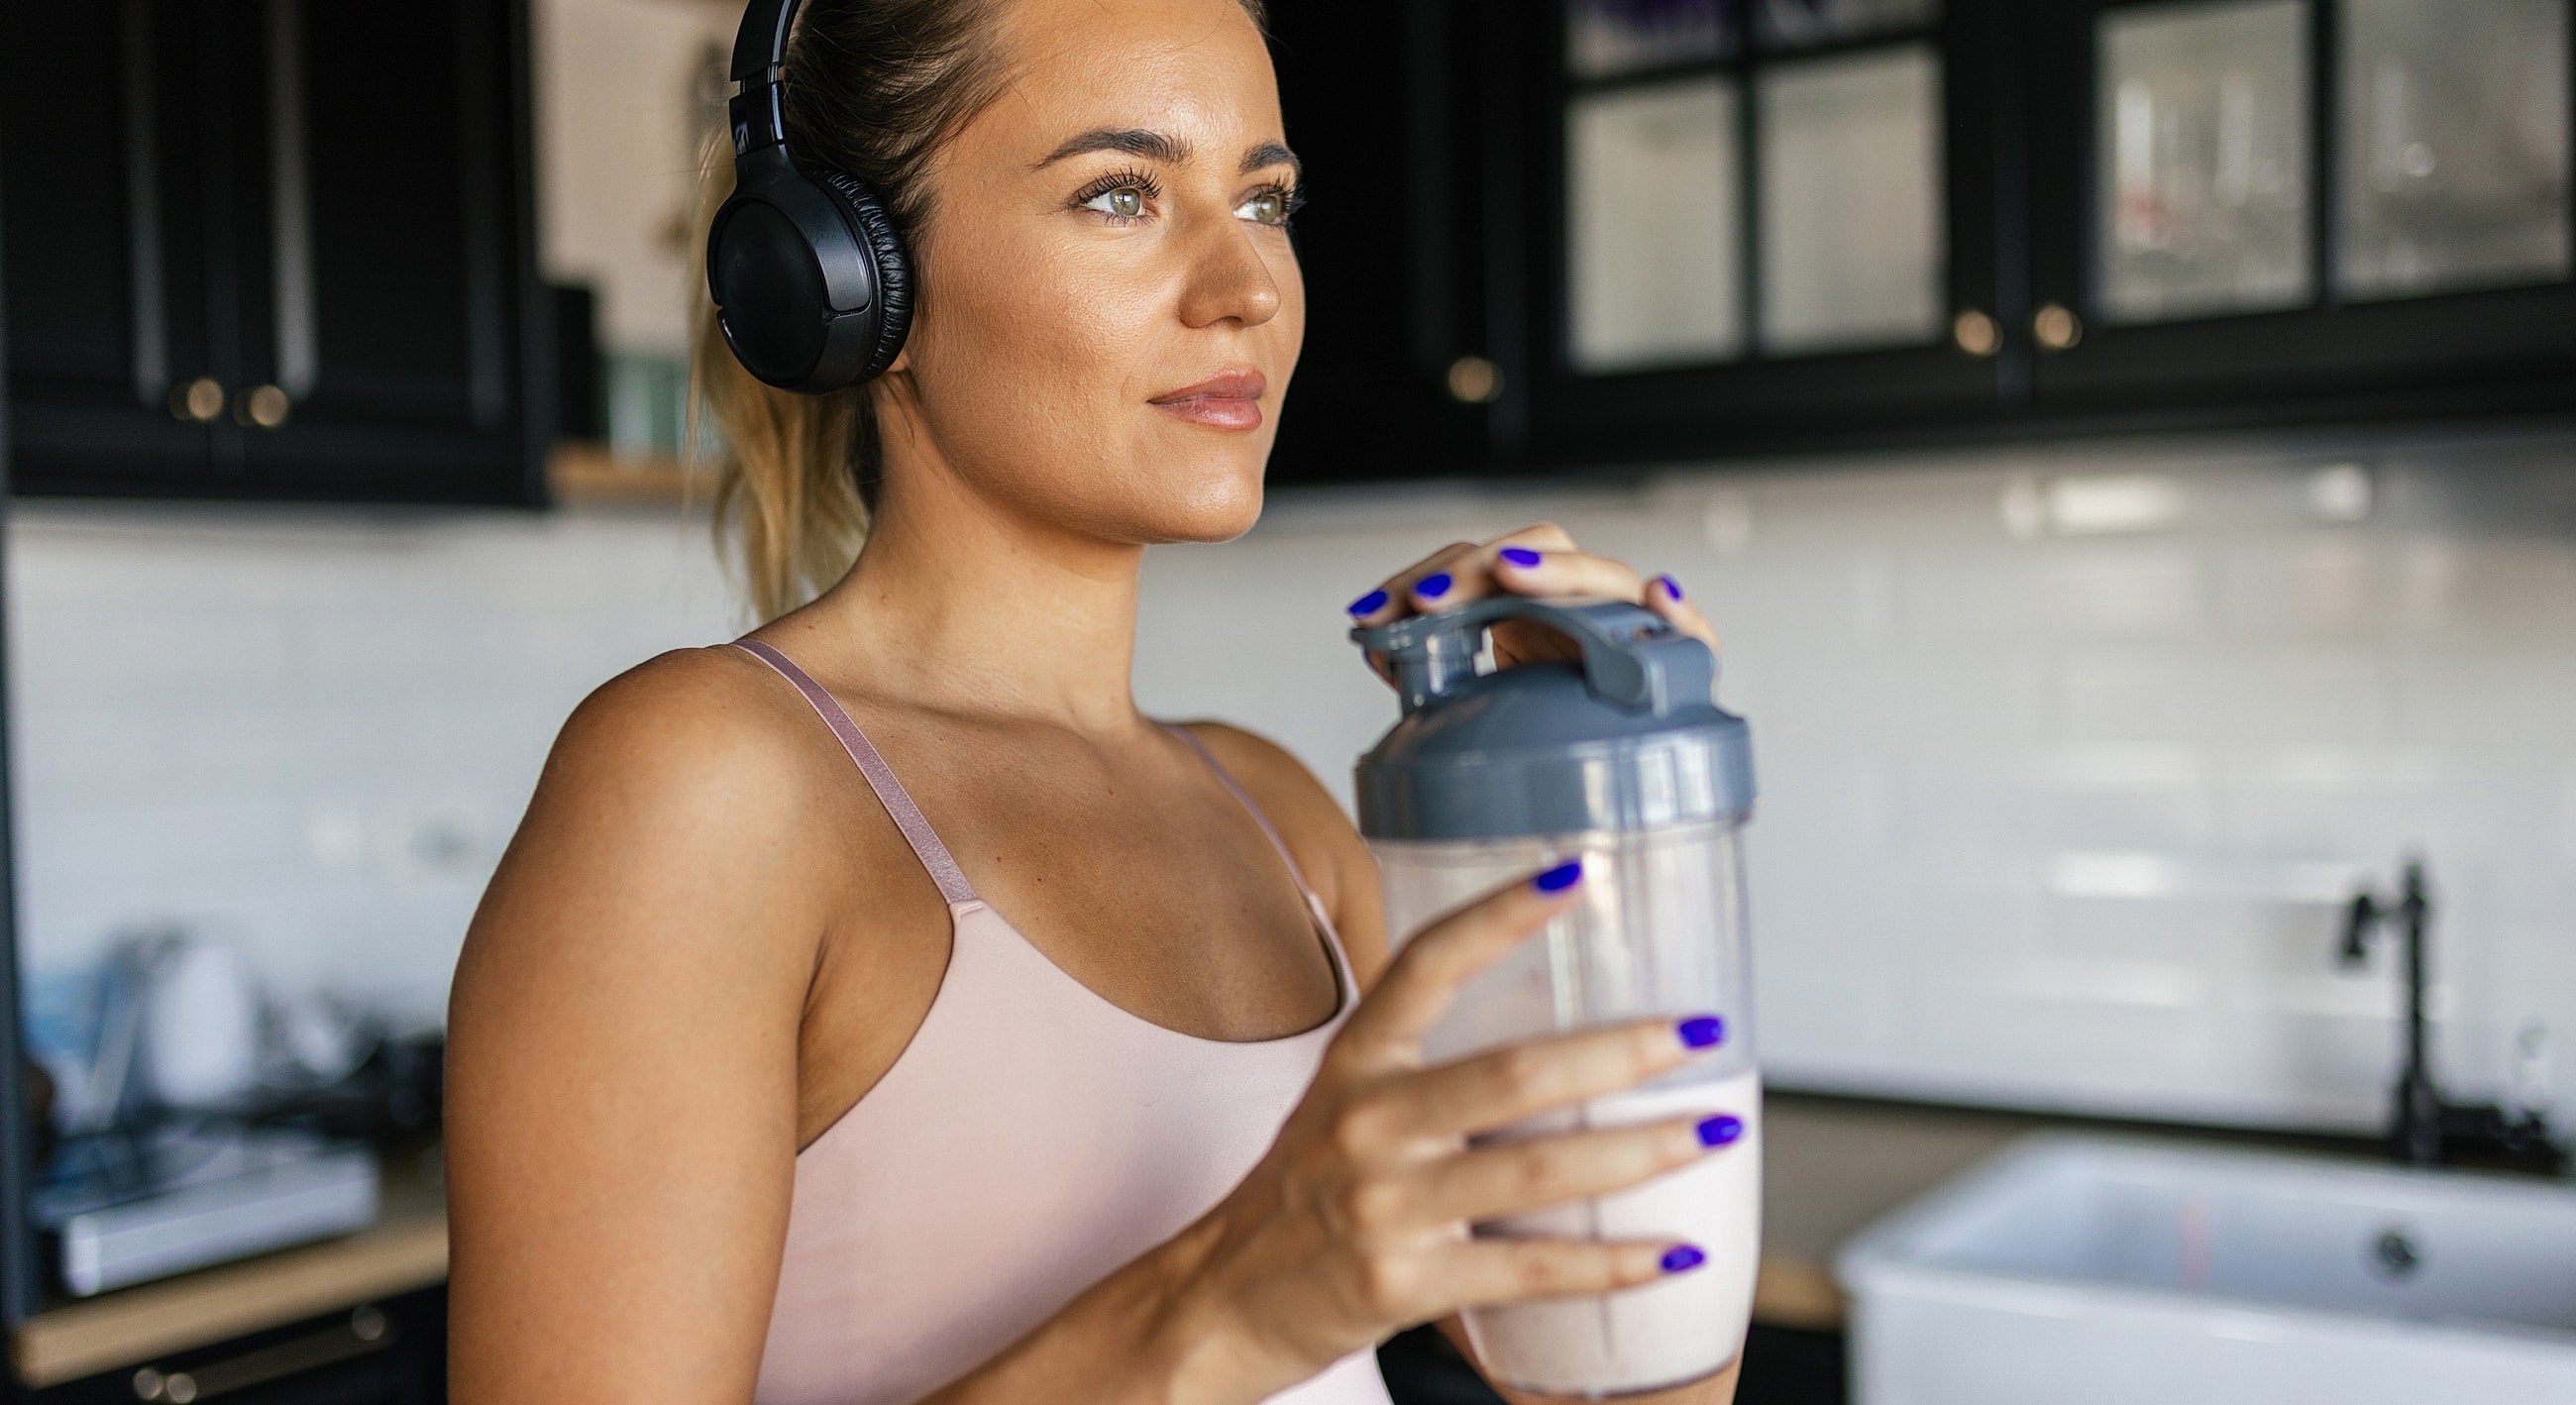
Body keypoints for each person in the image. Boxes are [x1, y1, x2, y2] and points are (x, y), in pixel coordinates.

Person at [444, 0, 1742, 1400]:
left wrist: (1605, 809)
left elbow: (1623, 1377)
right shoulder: (709, 787)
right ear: (849, 279)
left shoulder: (1284, 822)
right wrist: (1226, 1305)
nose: (1246, 283)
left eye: (1263, 197)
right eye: (1121, 193)